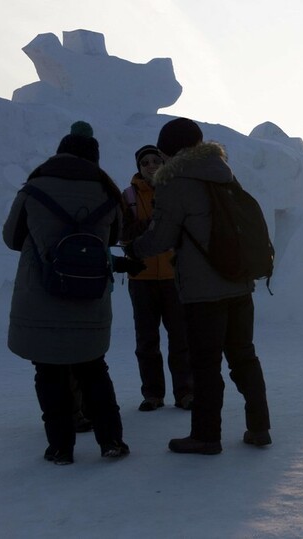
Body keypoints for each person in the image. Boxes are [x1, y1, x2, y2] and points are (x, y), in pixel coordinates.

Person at [126, 118, 272, 454]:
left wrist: (133, 248)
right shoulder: (223, 174)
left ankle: (206, 435)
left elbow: (161, 236)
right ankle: (259, 427)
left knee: (205, 365)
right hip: (238, 282)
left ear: (171, 149)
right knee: (244, 357)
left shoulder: (175, 181)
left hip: (203, 291)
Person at [2, 121, 135, 464]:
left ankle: (60, 448)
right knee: (94, 369)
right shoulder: (108, 192)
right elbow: (113, 239)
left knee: (49, 373)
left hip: (41, 295)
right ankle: (112, 441)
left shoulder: (34, 188)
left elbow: (12, 239)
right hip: (89, 296)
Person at [120, 145, 193, 412]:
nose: (151, 166)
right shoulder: (128, 196)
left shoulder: (176, 191)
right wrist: (155, 222)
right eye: (145, 162)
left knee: (181, 338)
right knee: (147, 340)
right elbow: (122, 232)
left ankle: (185, 392)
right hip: (142, 277)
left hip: (174, 275)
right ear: (138, 167)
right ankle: (153, 394)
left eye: (155, 161)